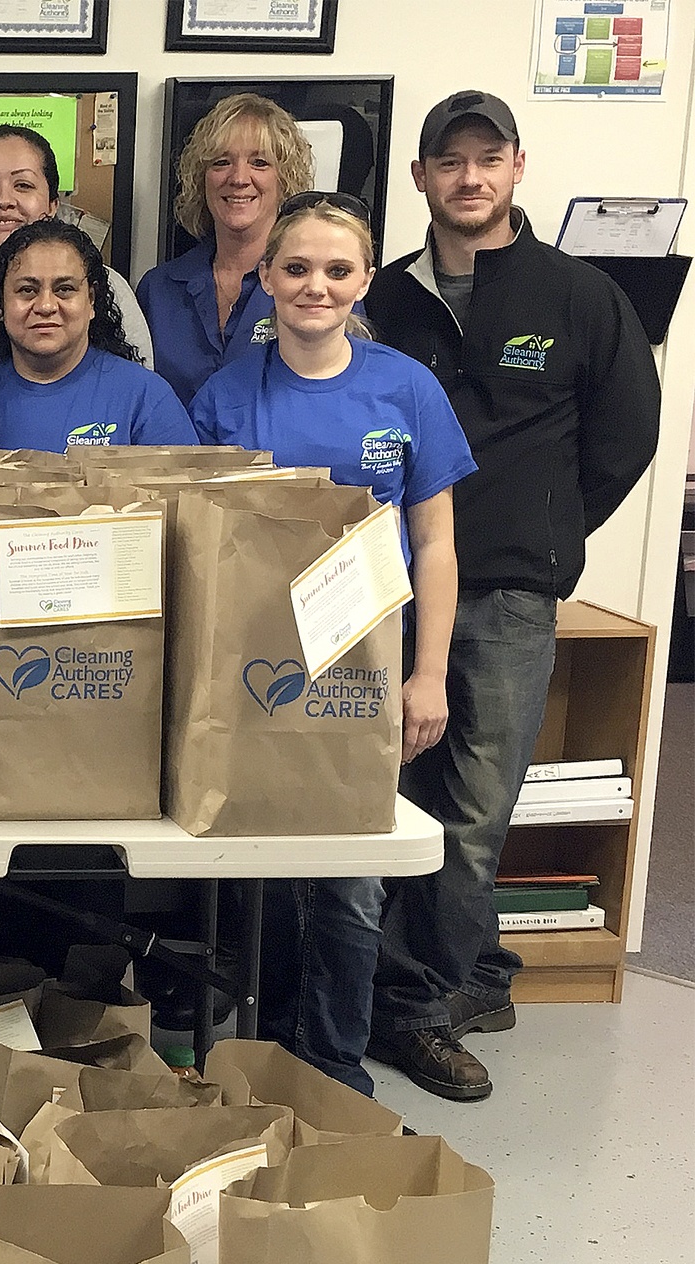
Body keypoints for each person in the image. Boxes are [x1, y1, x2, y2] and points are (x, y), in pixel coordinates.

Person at [363, 90, 661, 1101]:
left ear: (517, 167)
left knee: (475, 807)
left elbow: (625, 438)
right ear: (419, 177)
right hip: (389, 589)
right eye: (449, 161)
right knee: (397, 799)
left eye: (487, 159)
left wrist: (546, 530)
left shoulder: (578, 296)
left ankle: (419, 1004)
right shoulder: (383, 297)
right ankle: (463, 975)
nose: (469, 178)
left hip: (506, 594)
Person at [190, 194, 476, 1094]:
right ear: (267, 278)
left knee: (351, 878)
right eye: (297, 268)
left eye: (337, 270)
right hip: (253, 663)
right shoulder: (225, 396)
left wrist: (428, 675)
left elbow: (436, 542)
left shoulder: (407, 388)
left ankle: (335, 1067)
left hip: (365, 663)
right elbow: (199, 547)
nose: (316, 285)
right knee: (261, 869)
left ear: (364, 281)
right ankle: (263, 1055)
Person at [0, 124, 153, 369]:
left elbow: (138, 381)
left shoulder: (104, 285)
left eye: (23, 185)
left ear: (52, 206)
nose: (4, 200)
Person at [139, 93, 315, 405]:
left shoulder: (318, 286)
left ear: (285, 179)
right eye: (222, 162)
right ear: (201, 179)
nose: (238, 178)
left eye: (259, 163)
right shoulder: (158, 289)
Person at [0, 218, 195, 452]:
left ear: (91, 300)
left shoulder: (145, 397)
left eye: (64, 289)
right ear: (0, 305)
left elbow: (186, 476)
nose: (46, 306)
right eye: (27, 290)